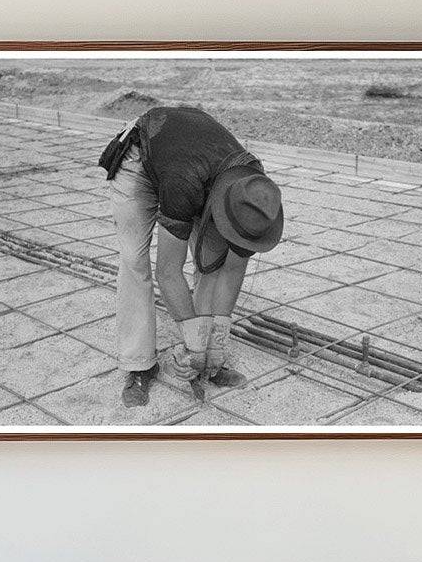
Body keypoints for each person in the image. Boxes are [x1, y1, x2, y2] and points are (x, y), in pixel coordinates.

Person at [99, 105, 284, 407]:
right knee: (135, 261)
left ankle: (205, 357)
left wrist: (217, 341)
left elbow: (231, 270)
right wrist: (195, 343)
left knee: (210, 261)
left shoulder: (255, 199)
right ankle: (139, 364)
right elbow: (168, 272)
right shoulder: (184, 183)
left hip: (198, 164)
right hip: (143, 155)